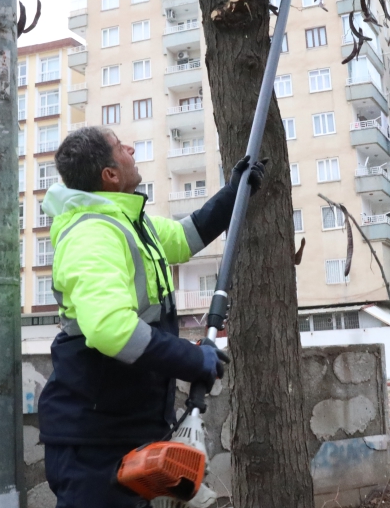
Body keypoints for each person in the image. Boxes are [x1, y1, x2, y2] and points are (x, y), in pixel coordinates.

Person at [38, 126, 264, 507]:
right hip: (93, 441)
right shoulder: (92, 235)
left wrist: (234, 192)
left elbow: (183, 237)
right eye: (119, 147)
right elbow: (113, 331)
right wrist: (193, 360)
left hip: (121, 428)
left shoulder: (127, 221)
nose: (129, 148)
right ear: (110, 175)